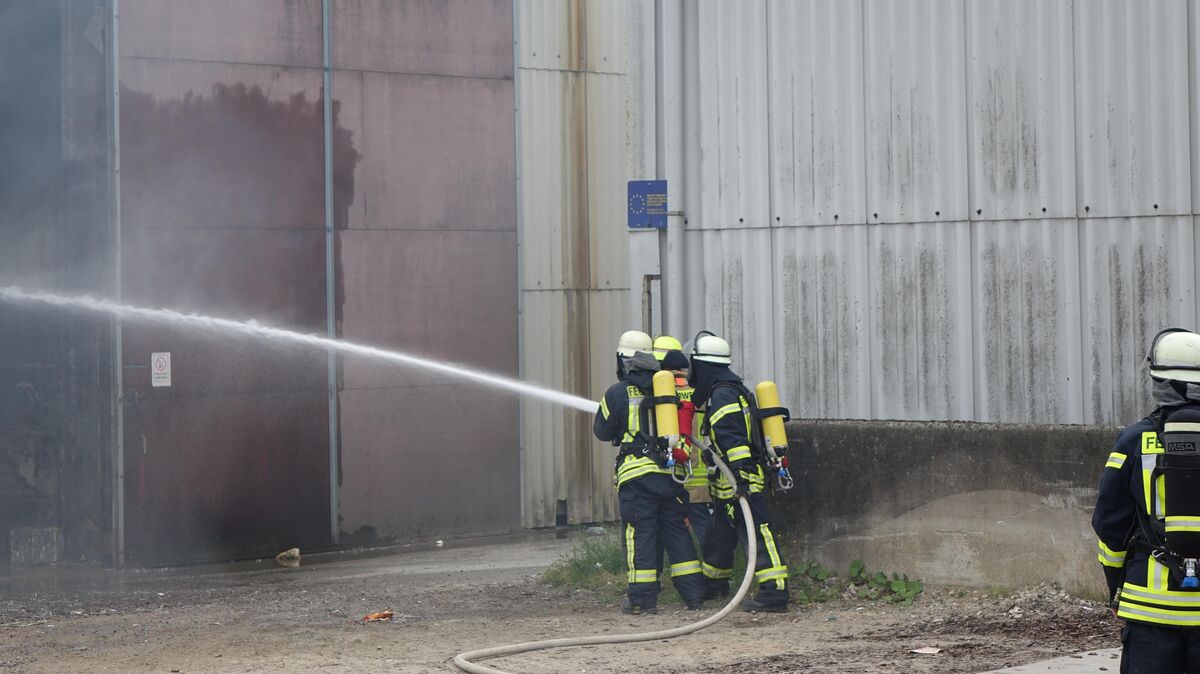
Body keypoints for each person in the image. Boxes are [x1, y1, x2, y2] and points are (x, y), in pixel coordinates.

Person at [1093, 328, 1200, 672]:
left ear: (1159, 381)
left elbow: (1109, 524)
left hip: (1149, 610)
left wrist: (1116, 588)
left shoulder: (1134, 440)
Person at [594, 331, 705, 614]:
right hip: (670, 474)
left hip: (637, 476)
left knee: (641, 533)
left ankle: (642, 600)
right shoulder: (666, 390)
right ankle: (694, 595)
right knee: (676, 532)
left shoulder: (616, 392)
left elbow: (601, 431)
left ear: (625, 361)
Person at [689, 332, 789, 613]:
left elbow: (732, 439)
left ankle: (775, 592)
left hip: (740, 479)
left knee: (757, 533)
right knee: (719, 535)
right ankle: (714, 584)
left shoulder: (722, 395)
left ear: (702, 366)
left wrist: (741, 476)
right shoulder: (728, 390)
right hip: (728, 481)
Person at [652, 334, 713, 547]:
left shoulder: (660, 392)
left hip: (672, 475)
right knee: (706, 532)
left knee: (671, 532)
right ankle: (713, 564)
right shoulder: (698, 390)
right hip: (701, 477)